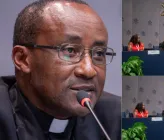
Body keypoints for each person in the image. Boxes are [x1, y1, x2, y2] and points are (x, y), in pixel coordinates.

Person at [0, 1, 121, 140]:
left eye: (99, 53)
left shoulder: (117, 118)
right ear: (22, 59)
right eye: (70, 50)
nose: (89, 70)